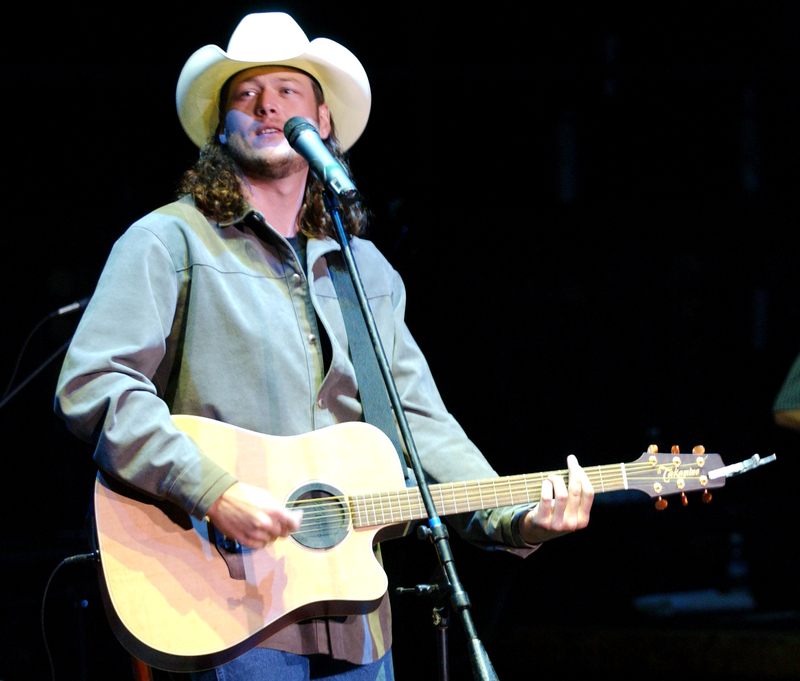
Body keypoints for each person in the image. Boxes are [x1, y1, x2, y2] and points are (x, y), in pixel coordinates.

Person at [54, 12, 594, 681]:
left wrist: (515, 516)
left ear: (324, 122)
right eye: (244, 93)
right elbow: (96, 386)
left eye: (287, 89)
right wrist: (213, 488)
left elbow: (419, 422)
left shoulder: (365, 271)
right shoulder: (168, 242)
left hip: (355, 616)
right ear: (221, 128)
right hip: (222, 603)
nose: (267, 103)